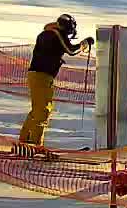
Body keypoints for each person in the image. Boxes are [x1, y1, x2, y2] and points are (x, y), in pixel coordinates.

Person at [19, 14, 82, 151]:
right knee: (43, 111)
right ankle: (35, 145)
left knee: (36, 110)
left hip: (36, 75)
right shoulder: (56, 35)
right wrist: (85, 44)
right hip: (43, 76)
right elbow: (71, 50)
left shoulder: (46, 33)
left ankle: (24, 141)